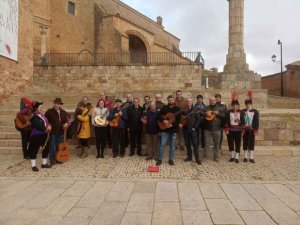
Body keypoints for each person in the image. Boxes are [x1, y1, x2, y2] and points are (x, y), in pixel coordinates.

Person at [156, 95, 181, 166]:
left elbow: (179, 120)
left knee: (172, 145)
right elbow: (159, 116)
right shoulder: (164, 108)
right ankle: (160, 159)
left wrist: (173, 125)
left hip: (174, 130)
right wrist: (164, 120)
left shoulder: (177, 109)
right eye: (169, 100)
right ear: (167, 100)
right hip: (165, 130)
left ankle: (171, 159)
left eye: (172, 100)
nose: (171, 101)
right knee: (162, 144)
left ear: (173, 100)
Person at [28, 102, 52, 172]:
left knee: (46, 149)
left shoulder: (43, 116)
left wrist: (49, 125)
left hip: (44, 135)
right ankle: (33, 165)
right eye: (40, 107)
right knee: (34, 150)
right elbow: (38, 126)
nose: (41, 109)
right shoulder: (34, 117)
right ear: (36, 109)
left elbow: (47, 123)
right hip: (36, 136)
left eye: (42, 107)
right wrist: (46, 128)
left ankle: (44, 163)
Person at [45, 98, 69, 165]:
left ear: (60, 105)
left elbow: (68, 119)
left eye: (58, 104)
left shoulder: (63, 112)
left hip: (61, 132)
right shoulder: (49, 111)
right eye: (55, 103)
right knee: (52, 146)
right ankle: (52, 159)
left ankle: (58, 158)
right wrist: (48, 125)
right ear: (54, 104)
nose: (56, 105)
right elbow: (45, 120)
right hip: (53, 132)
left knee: (59, 146)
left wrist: (67, 123)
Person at [203, 97, 226, 162]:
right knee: (206, 143)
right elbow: (201, 113)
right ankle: (206, 156)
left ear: (215, 101)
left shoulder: (220, 107)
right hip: (207, 129)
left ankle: (217, 156)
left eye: (213, 100)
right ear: (209, 101)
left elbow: (224, 116)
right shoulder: (206, 108)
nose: (212, 101)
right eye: (211, 100)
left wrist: (218, 113)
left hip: (217, 128)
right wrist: (206, 114)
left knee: (217, 144)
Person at [224, 92, 245, 163]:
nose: (235, 106)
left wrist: (242, 130)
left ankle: (237, 157)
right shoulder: (228, 112)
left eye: (236, 105)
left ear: (238, 106)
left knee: (238, 143)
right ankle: (232, 156)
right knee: (230, 143)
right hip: (230, 130)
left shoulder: (241, 112)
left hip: (238, 130)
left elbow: (243, 122)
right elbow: (226, 121)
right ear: (232, 106)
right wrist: (226, 129)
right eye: (234, 105)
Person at [181, 97, 202, 165]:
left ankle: (197, 158)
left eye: (190, 101)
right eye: (187, 101)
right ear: (186, 103)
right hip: (186, 129)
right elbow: (182, 119)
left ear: (192, 102)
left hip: (193, 130)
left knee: (195, 144)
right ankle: (189, 156)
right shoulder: (184, 110)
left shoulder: (196, 109)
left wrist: (195, 127)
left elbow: (198, 119)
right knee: (187, 144)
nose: (188, 103)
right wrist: (181, 124)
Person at [243, 91, 259, 163]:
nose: (248, 105)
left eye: (249, 104)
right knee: (245, 142)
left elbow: (256, 121)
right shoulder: (243, 111)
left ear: (251, 104)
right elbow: (241, 120)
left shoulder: (255, 111)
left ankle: (251, 157)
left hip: (252, 129)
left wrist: (256, 129)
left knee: (251, 143)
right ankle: (245, 157)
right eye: (246, 104)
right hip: (245, 129)